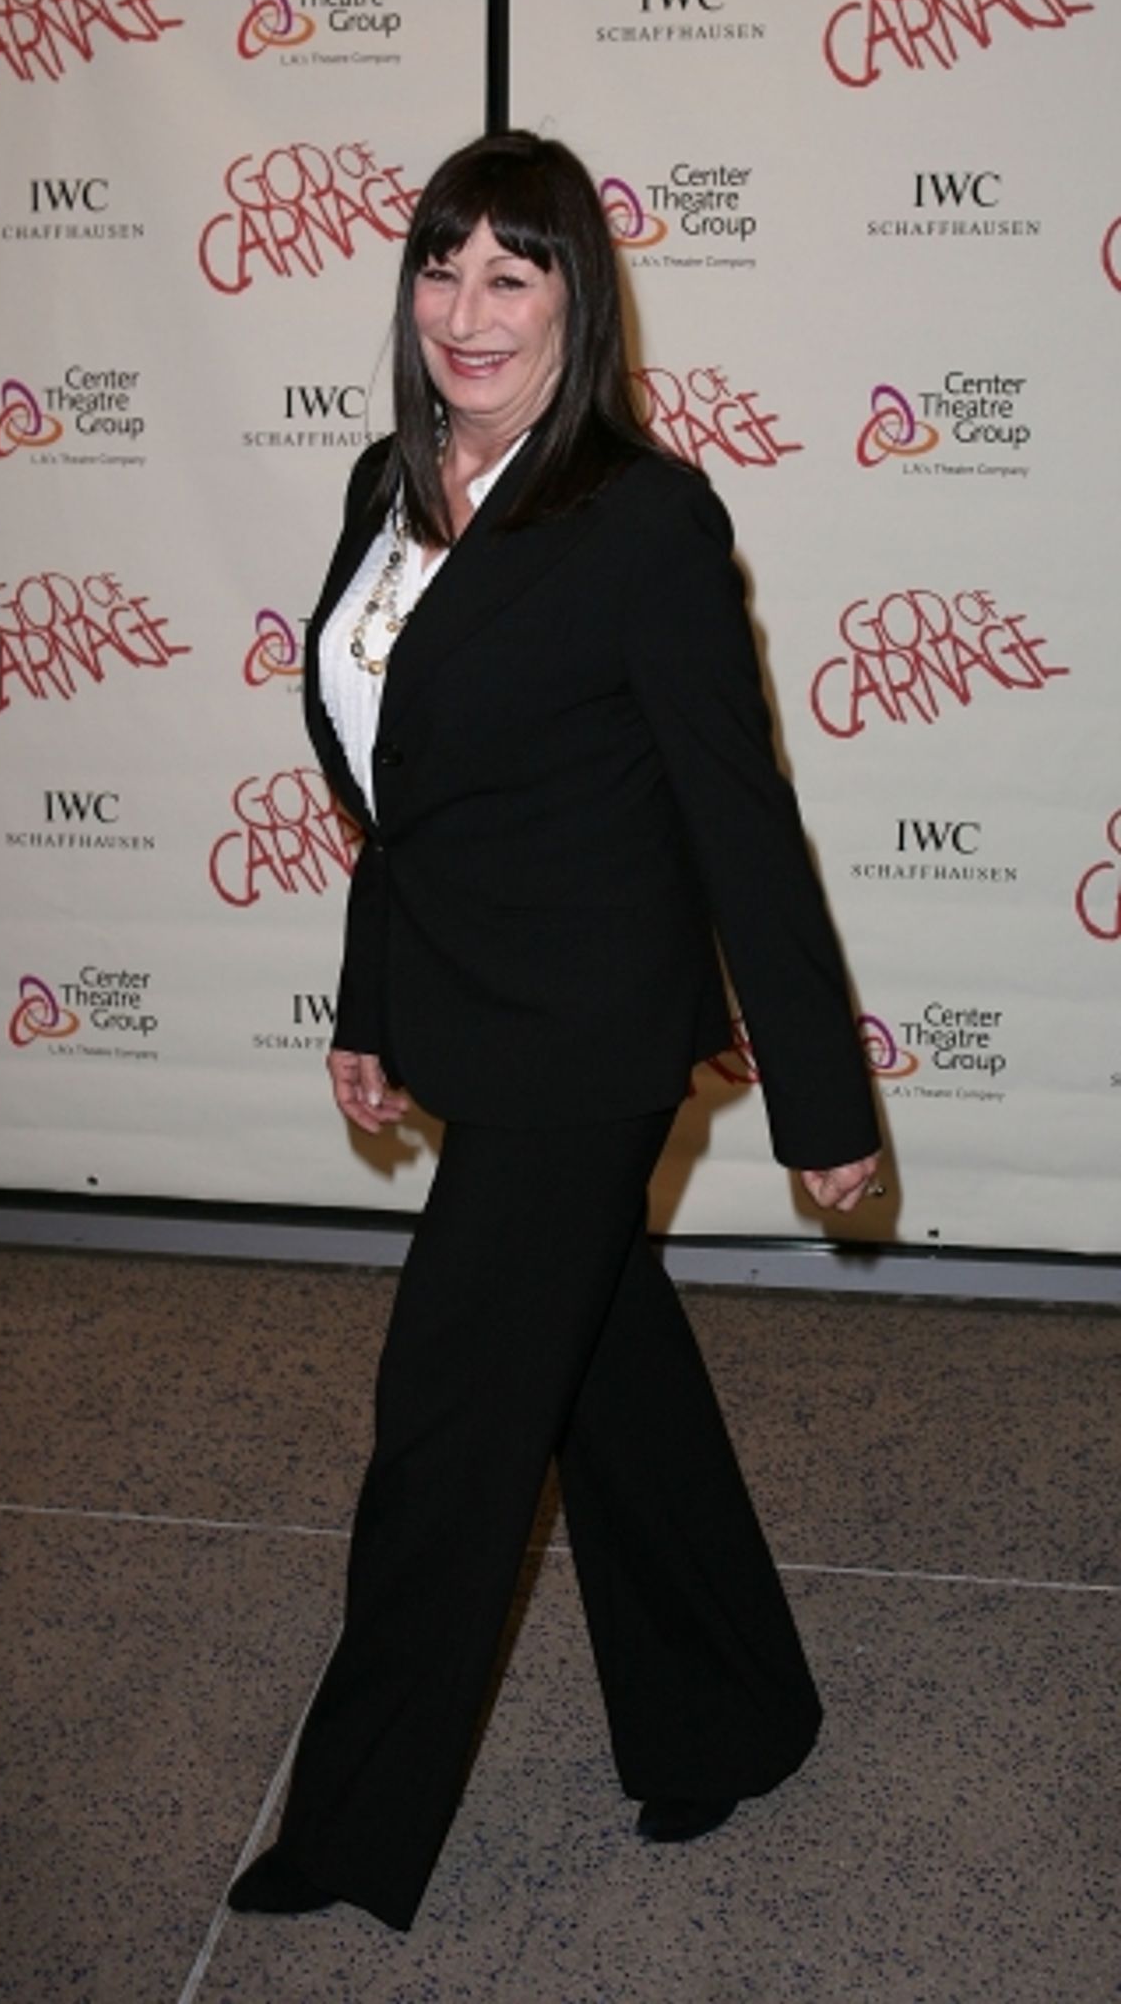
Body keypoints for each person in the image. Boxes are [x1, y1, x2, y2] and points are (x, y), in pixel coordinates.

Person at [228, 130, 882, 1933]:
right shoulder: (389, 481)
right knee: (605, 1369)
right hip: (464, 997)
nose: (467, 310)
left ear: (577, 299)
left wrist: (826, 1100)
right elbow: (397, 788)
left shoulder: (641, 518)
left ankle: (350, 1833)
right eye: (441, 267)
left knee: (447, 1423)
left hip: (587, 1036)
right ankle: (734, 1709)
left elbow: (738, 817)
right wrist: (368, 1002)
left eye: (511, 274)